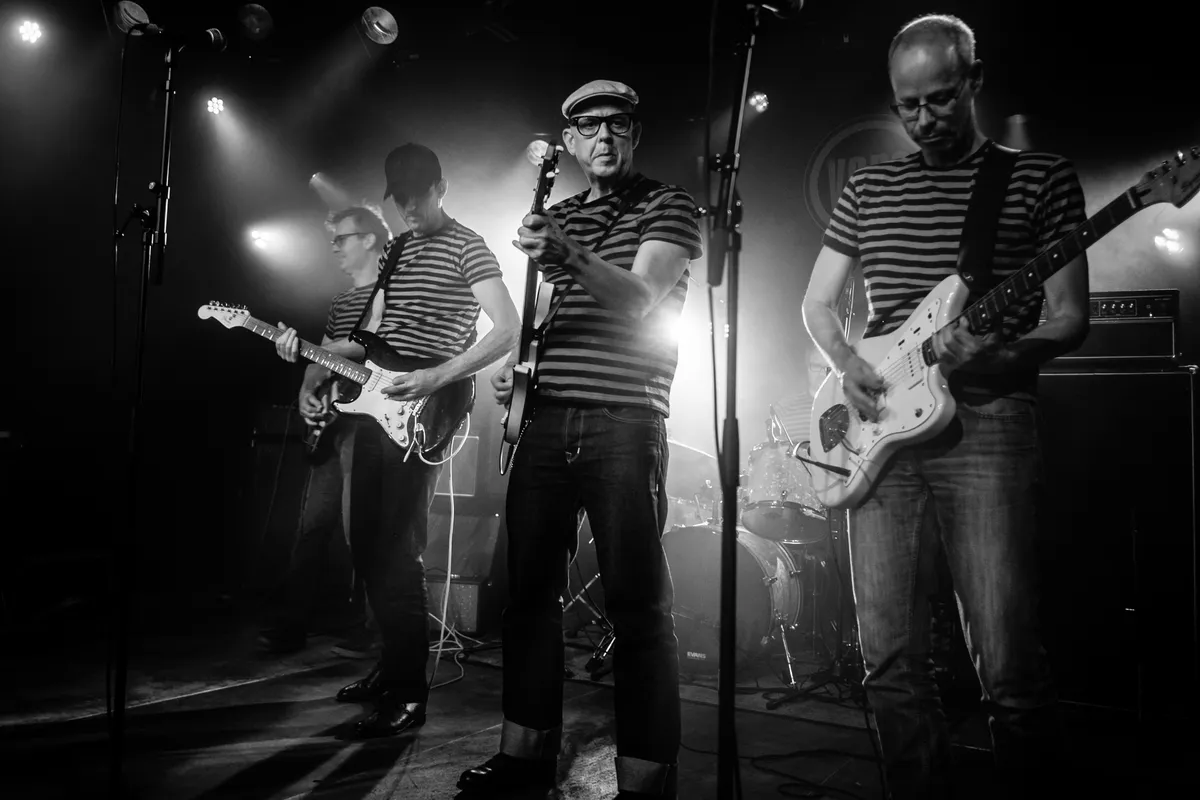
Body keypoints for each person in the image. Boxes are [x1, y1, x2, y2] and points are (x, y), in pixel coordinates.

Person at [800, 14, 1089, 799]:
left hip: (989, 422)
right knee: (889, 658)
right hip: (880, 428)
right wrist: (850, 366)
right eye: (908, 105)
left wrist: (997, 354)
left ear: (974, 81)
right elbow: (817, 305)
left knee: (1008, 661)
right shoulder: (868, 188)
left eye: (940, 99)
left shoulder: (1039, 177)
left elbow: (1070, 317)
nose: (923, 118)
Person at [457, 80, 702, 799]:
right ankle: (523, 758)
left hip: (624, 418)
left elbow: (640, 299)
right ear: (568, 143)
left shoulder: (668, 204)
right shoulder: (557, 215)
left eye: (617, 124)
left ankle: (646, 781)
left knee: (637, 606)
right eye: (587, 127)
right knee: (528, 596)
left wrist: (564, 251)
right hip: (545, 420)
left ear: (635, 134)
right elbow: (538, 321)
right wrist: (514, 372)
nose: (603, 137)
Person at [275, 143, 520, 738]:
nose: (409, 209)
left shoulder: (469, 247)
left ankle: (409, 693)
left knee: (396, 550)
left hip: (429, 405)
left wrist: (437, 376)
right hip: (375, 405)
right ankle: (391, 667)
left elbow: (508, 328)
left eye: (418, 197)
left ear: (441, 188)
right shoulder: (398, 250)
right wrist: (308, 354)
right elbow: (371, 336)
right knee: (364, 546)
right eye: (399, 200)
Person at [259, 205, 391, 659]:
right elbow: (323, 359)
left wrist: (319, 353)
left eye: (342, 238)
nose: (334, 247)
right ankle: (291, 625)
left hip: (373, 424)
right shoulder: (340, 302)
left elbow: (380, 351)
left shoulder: (392, 290)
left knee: (363, 530)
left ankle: (376, 629)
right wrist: (305, 391)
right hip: (335, 422)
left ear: (369, 239)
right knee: (311, 526)